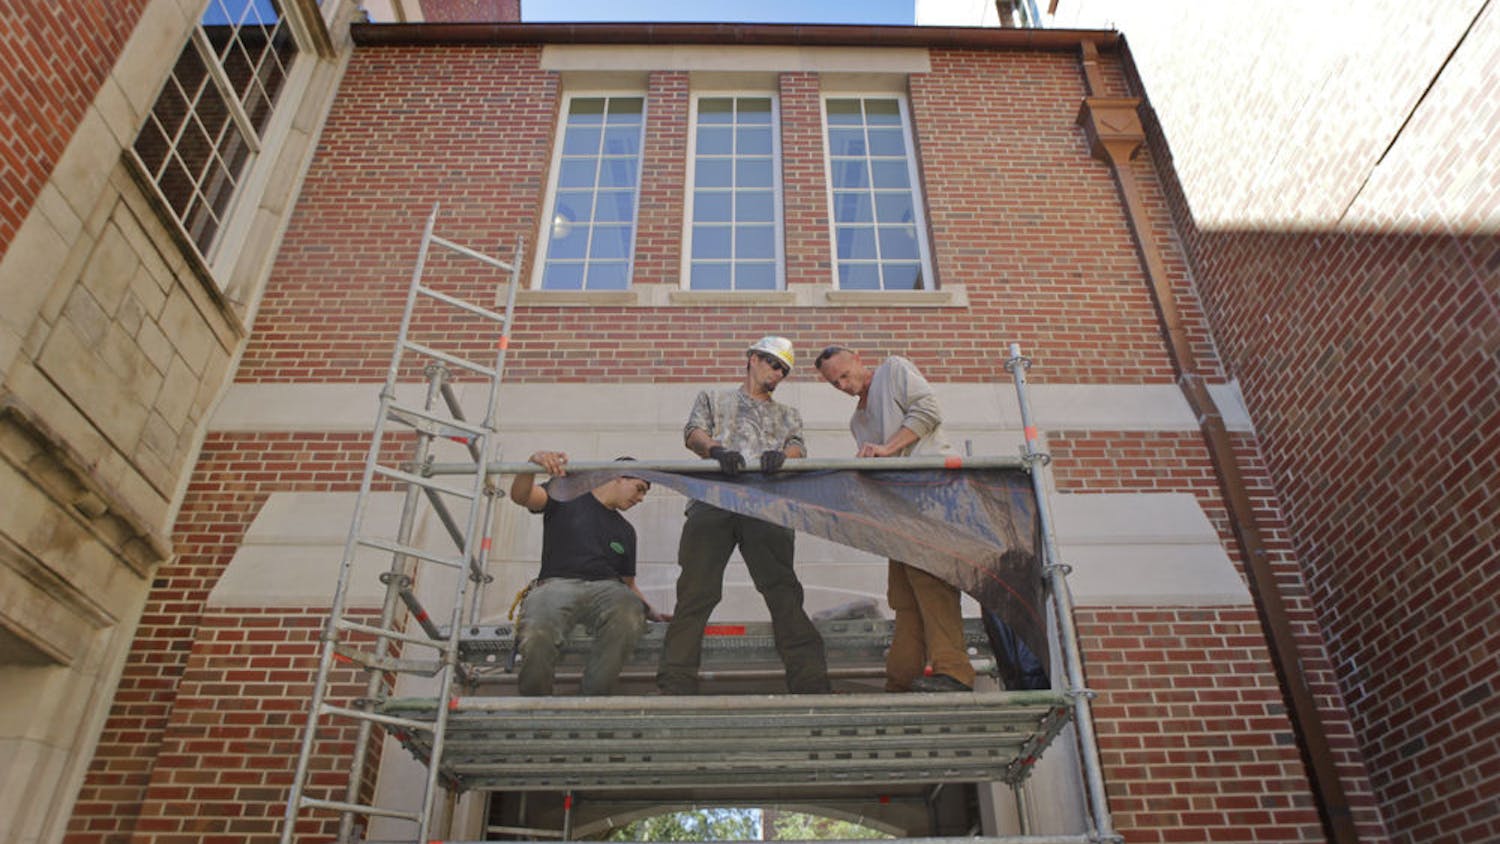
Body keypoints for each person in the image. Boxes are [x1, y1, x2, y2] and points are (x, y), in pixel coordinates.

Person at [656, 336, 831, 695]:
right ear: (752, 358)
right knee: (695, 593)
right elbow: (694, 434)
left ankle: (810, 682)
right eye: (772, 362)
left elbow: (797, 446)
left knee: (782, 591)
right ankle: (676, 684)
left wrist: (784, 460)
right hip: (713, 499)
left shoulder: (787, 414)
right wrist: (716, 449)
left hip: (766, 504)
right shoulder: (714, 399)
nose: (777, 371)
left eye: (784, 369)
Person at [814, 346, 975, 693]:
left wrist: (887, 449)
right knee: (902, 595)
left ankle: (955, 673)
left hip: (930, 494)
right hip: (898, 509)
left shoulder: (893, 371)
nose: (842, 385)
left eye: (844, 375)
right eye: (834, 383)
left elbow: (929, 411)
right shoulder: (857, 420)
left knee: (931, 581)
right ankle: (900, 680)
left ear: (858, 359)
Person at [509, 450, 668, 696]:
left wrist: (652, 611)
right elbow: (522, 496)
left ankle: (592, 700)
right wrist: (532, 463)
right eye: (639, 488)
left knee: (629, 611)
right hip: (557, 585)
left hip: (607, 590)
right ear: (618, 477)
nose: (641, 498)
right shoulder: (566, 493)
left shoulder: (626, 532)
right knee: (538, 628)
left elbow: (628, 585)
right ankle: (535, 704)